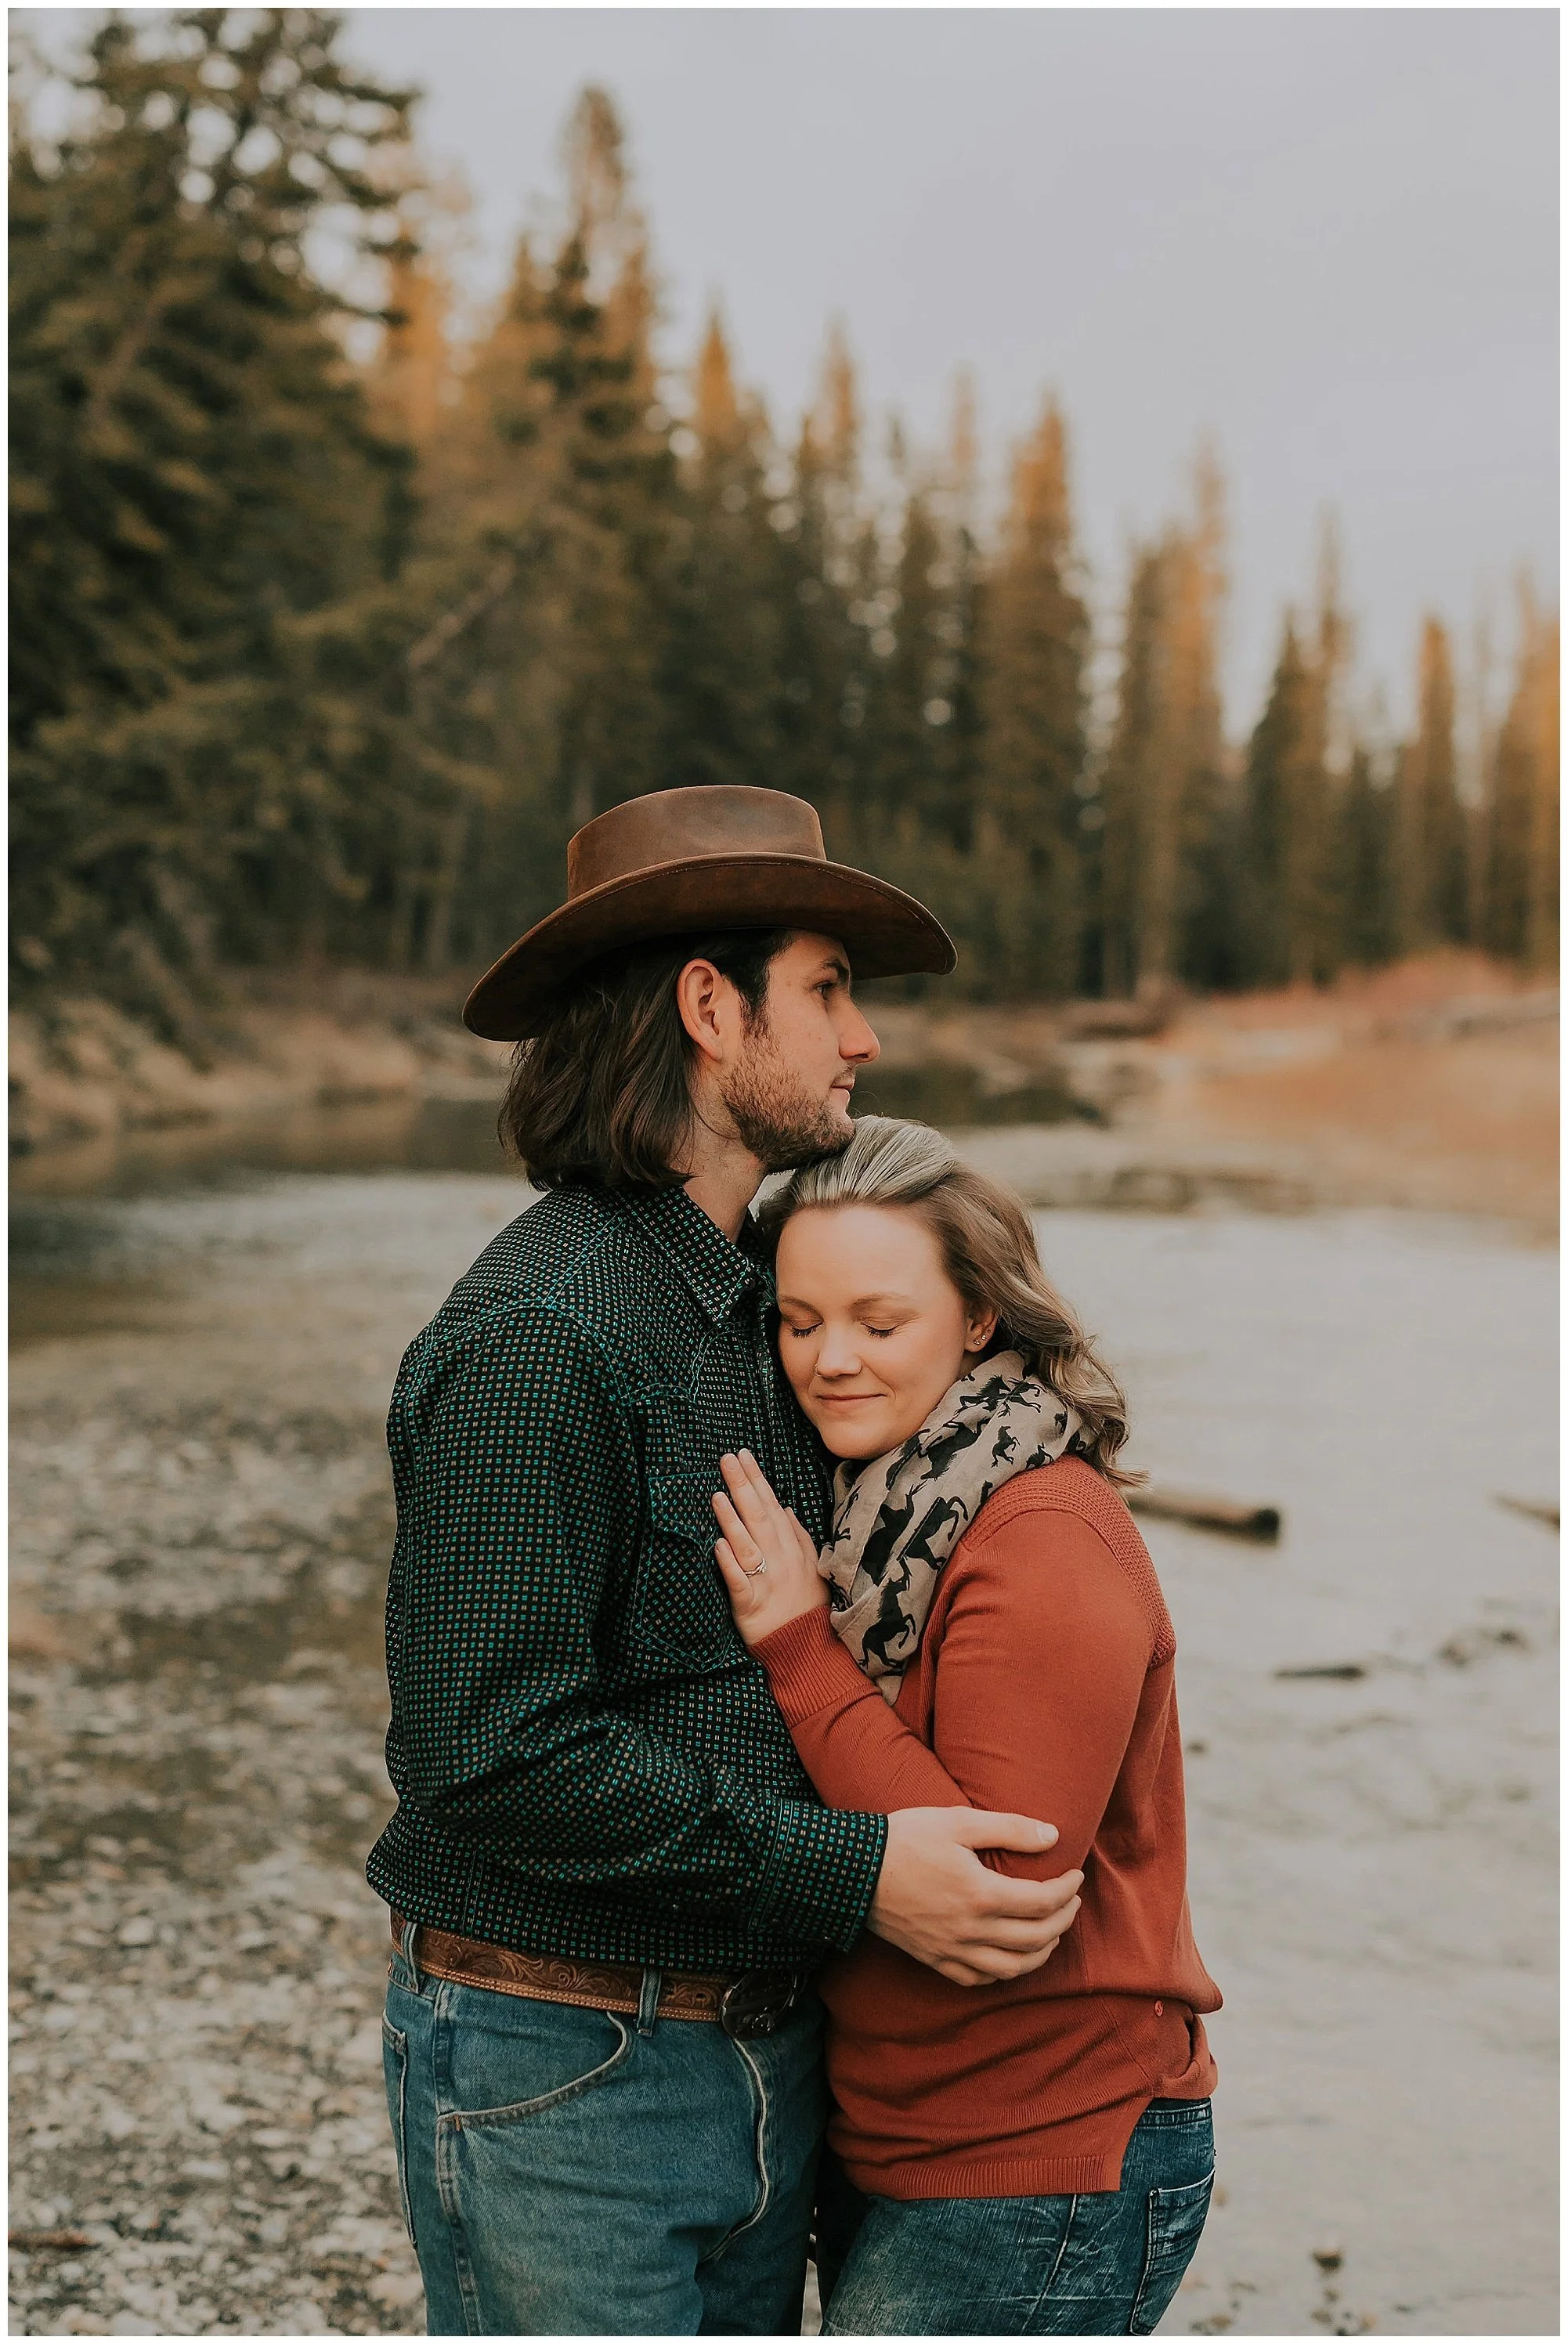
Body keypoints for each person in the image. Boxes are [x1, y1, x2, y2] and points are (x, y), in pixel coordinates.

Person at [367, 788, 1085, 2337]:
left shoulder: (766, 1304)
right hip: (566, 2074)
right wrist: (861, 1869)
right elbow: (486, 1753)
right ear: (709, 1004)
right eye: (826, 988)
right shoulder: (539, 1339)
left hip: (765, 2053)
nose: (860, 1039)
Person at [710, 1114, 1222, 2338]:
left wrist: (794, 1646)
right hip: (906, 2136)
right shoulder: (875, 1509)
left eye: (878, 1325)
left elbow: (993, 1886)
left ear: (979, 1318)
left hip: (1041, 2156)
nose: (829, 1360)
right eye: (797, 1322)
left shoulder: (1040, 1537)